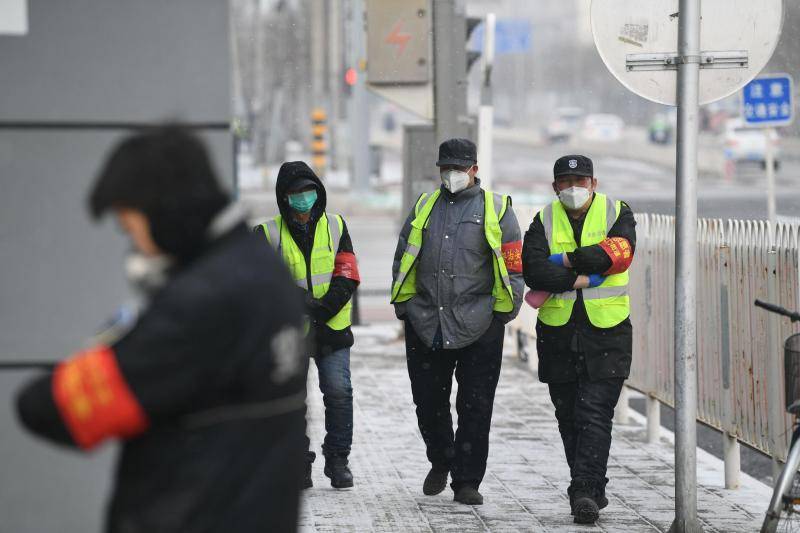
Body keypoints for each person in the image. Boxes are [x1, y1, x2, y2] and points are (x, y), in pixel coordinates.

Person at [15, 126, 308, 533]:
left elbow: (51, 410)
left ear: (166, 213)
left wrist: (115, 342)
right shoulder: (263, 271)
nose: (135, 247)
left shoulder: (203, 303)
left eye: (131, 228)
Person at [390, 138, 524, 505]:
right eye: (446, 168)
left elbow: (514, 264)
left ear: (474, 170)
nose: (451, 175)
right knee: (428, 402)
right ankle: (441, 458)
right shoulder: (424, 206)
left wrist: (504, 313)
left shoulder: (497, 209)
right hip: (426, 323)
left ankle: (467, 481)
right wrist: (404, 308)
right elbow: (404, 255)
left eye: (459, 168)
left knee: (476, 406)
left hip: (480, 324)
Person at [521, 154, 635, 524]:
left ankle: (584, 490)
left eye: (581, 181)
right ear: (555, 187)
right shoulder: (543, 220)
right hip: (558, 333)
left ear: (594, 183)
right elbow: (535, 273)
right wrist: (584, 275)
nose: (574, 189)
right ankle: (588, 485)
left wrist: (565, 260)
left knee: (594, 412)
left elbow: (615, 257)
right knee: (568, 414)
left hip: (608, 331)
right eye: (566, 183)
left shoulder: (618, 213)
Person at [256, 161, 360, 489]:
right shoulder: (267, 233)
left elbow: (348, 272)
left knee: (339, 393)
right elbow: (262, 281)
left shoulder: (336, 225)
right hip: (289, 331)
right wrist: (305, 304)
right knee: (291, 401)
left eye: (308, 190)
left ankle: (338, 460)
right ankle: (298, 463)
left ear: (319, 192)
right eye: (296, 193)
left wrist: (324, 307)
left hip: (331, 327)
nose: (303, 198)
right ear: (283, 197)